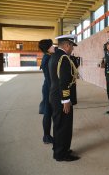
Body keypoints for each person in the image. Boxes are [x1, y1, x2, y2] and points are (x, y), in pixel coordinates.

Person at [48, 34, 80, 162]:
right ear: (67, 45)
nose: (72, 49)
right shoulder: (64, 58)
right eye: (72, 46)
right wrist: (66, 100)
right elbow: (64, 81)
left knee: (58, 124)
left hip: (55, 96)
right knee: (64, 126)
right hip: (61, 98)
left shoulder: (56, 56)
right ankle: (62, 154)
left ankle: (59, 148)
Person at [38, 39, 55, 144]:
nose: (54, 47)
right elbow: (49, 78)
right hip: (49, 88)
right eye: (52, 45)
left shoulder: (48, 57)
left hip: (48, 87)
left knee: (49, 112)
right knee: (48, 113)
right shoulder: (47, 59)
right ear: (47, 48)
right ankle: (46, 136)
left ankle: (47, 135)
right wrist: (52, 92)